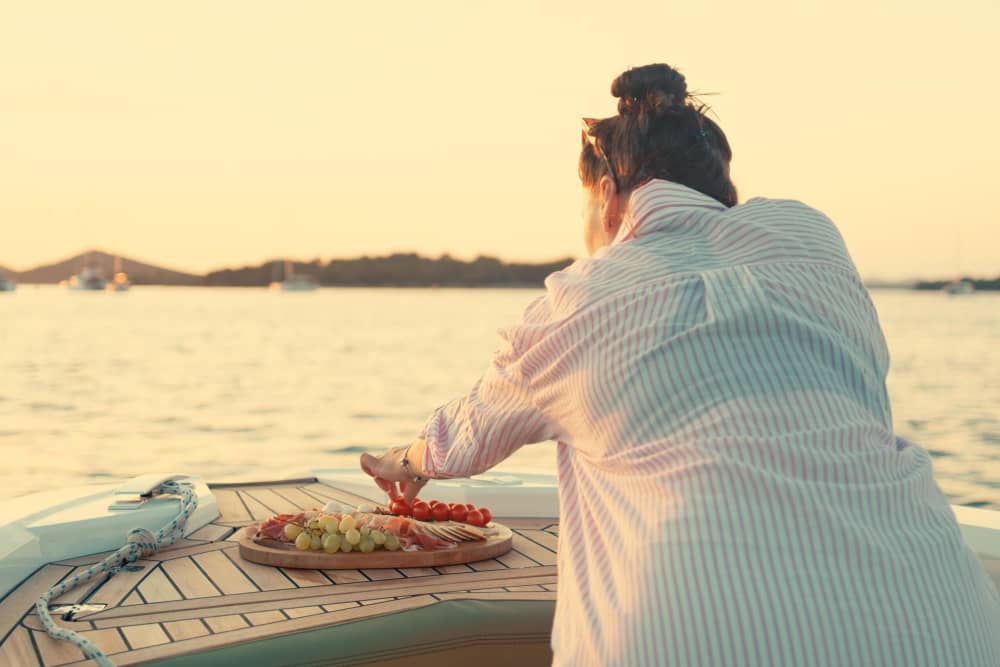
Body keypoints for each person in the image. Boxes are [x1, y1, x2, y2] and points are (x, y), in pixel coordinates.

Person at [361, 63, 1000, 666]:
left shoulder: (583, 298)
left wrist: (404, 461)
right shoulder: (813, 240)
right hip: (948, 624)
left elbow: (467, 432)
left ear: (608, 198)